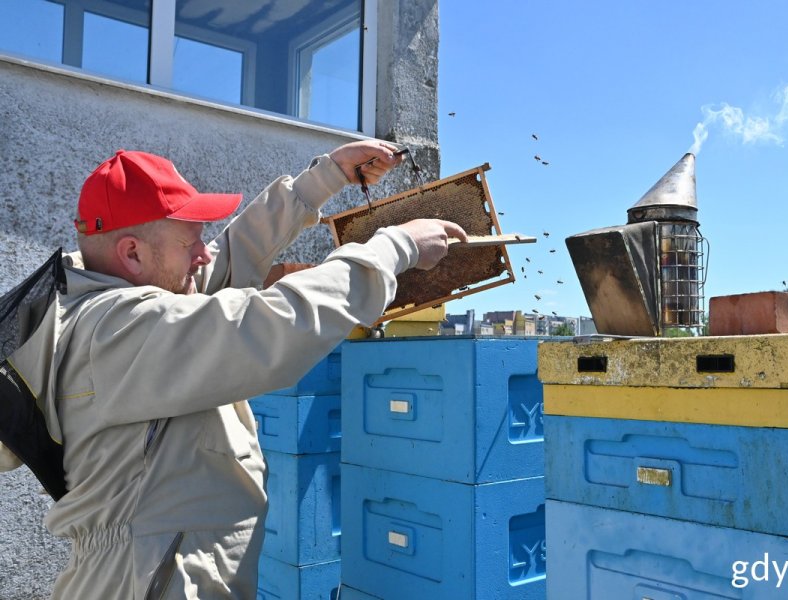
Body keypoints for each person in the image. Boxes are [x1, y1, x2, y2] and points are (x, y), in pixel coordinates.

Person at [1, 140, 466, 599]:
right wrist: (394, 248)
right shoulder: (117, 332)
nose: (202, 253)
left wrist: (326, 177)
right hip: (148, 584)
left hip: (154, 570)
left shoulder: (121, 304)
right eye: (190, 241)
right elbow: (275, 326)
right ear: (132, 254)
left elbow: (225, 262)